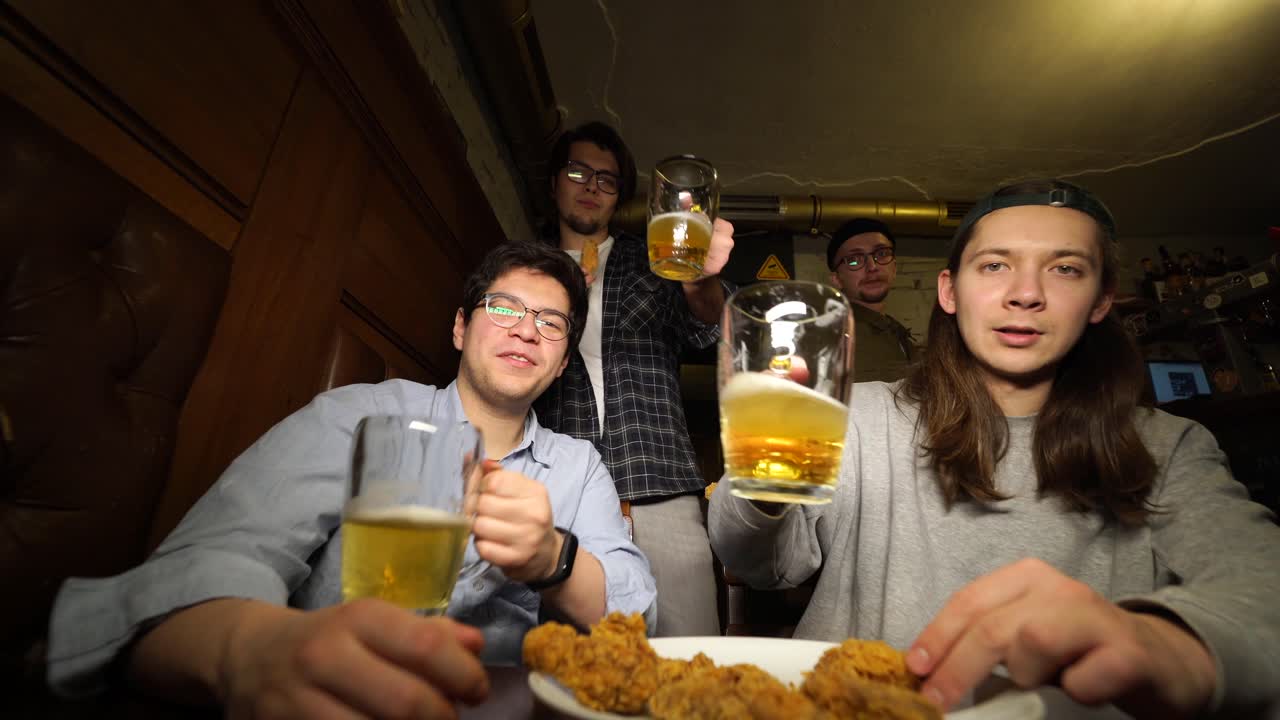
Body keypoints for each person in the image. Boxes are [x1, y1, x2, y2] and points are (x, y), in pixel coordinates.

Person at [710, 179, 1280, 717]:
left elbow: (1262, 592)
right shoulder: (861, 417)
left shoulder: (1170, 446)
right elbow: (759, 564)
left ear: (1102, 299)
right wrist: (764, 467)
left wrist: (1162, 641)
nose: (1025, 294)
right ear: (950, 291)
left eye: (1064, 268)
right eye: (995, 265)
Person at [46, 242, 656, 715]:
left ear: (559, 366)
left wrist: (554, 557)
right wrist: (256, 652)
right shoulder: (361, 415)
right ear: (460, 327)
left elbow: (639, 615)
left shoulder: (579, 466)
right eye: (504, 307)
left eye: (552, 323)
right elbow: (202, 570)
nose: (528, 330)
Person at [534, 121, 734, 637]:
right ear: (555, 180)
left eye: (608, 179)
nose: (592, 186)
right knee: (577, 665)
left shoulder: (658, 257)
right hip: (559, 487)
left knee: (693, 658)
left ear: (620, 195)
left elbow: (709, 327)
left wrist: (703, 278)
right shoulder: (527, 270)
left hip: (659, 478)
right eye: (579, 172)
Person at [827, 218, 916, 382]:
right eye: (854, 259)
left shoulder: (898, 334)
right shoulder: (830, 337)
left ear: (894, 268)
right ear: (837, 279)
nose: (872, 267)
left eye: (881, 254)